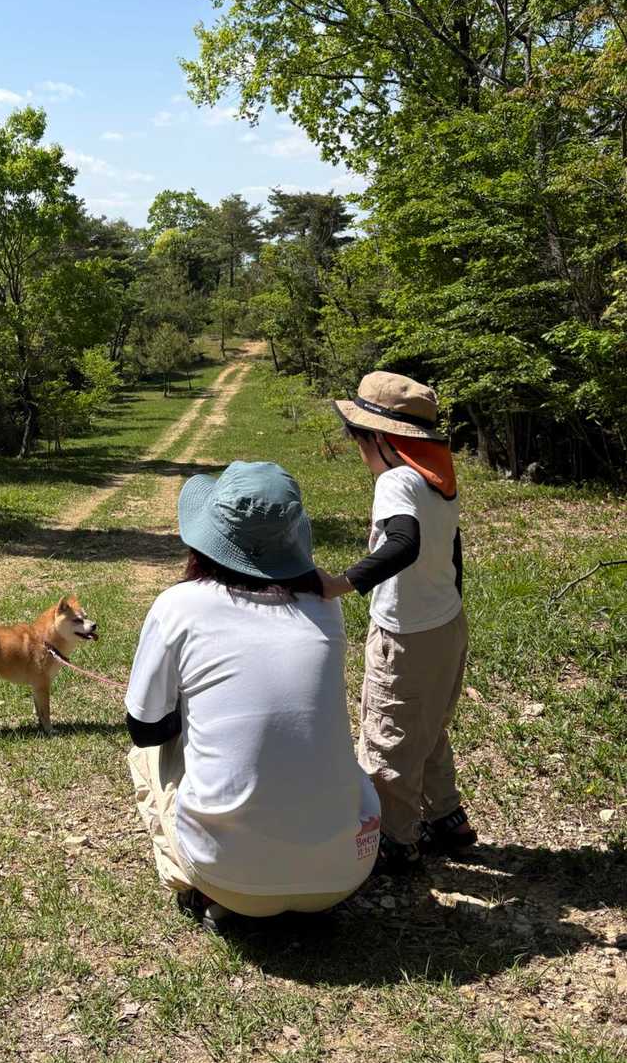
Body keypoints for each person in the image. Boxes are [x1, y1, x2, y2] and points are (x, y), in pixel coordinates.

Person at [125, 460, 380, 930]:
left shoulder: (178, 606)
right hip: (344, 873)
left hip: (229, 878)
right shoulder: (326, 608)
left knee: (147, 757)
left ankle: (202, 885)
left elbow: (144, 729)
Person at [317, 371, 476, 872]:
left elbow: (404, 543)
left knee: (388, 736)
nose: (359, 450)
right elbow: (451, 547)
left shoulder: (395, 480)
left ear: (382, 439)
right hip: (447, 626)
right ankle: (446, 817)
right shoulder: (437, 476)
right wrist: (449, 600)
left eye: (360, 439)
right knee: (429, 728)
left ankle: (395, 840)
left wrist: (340, 583)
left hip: (404, 635)